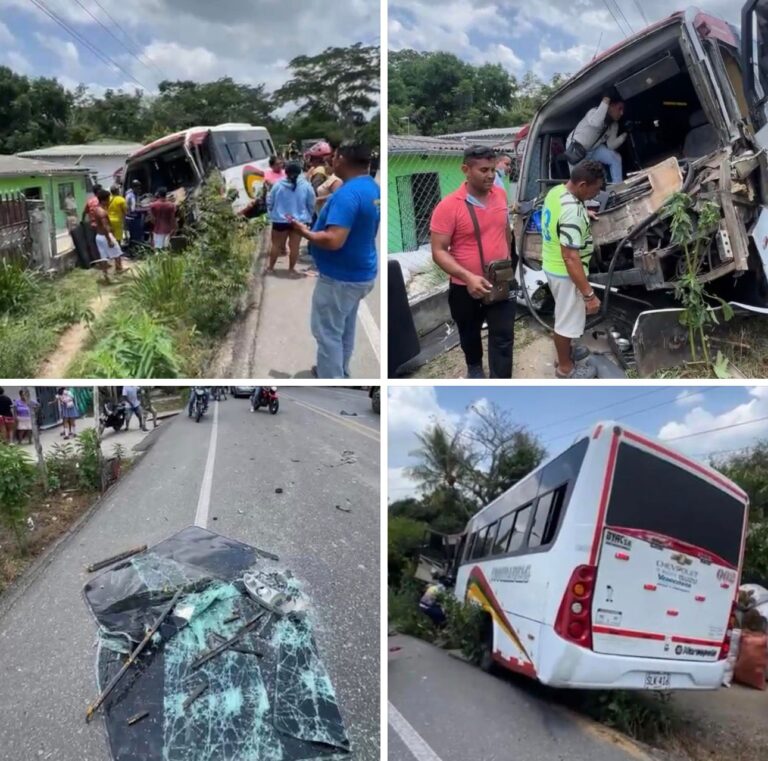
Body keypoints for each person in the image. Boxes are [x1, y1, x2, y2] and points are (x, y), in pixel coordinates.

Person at [290, 142, 379, 379]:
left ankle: (331, 378)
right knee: (344, 330)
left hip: (340, 279)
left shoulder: (348, 195)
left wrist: (303, 231)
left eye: (334, 157)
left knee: (327, 332)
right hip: (361, 273)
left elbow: (334, 240)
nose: (330, 161)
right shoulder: (370, 187)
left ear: (341, 159)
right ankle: (339, 370)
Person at [430, 145, 514, 379]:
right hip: (464, 287)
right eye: (484, 170)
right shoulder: (448, 207)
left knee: (504, 335)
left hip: (501, 280)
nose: (490, 175)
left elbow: (505, 230)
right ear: (466, 170)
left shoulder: (501, 195)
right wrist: (467, 277)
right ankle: (475, 368)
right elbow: (438, 251)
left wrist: (509, 264)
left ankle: (501, 380)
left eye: (493, 170)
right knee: (469, 332)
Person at [541, 159, 606, 379]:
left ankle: (566, 353)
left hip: (551, 266)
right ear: (582, 185)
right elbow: (570, 258)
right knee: (567, 323)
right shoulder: (572, 213)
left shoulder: (557, 192)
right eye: (594, 189)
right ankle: (565, 368)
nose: (595, 195)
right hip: (566, 273)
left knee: (564, 315)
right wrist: (589, 295)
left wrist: (583, 215)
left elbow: (560, 216)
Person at [266, 162, 315, 274]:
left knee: (276, 245)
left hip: (280, 220)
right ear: (300, 173)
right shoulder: (306, 186)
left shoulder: (277, 185)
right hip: (298, 221)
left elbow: (270, 200)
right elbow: (311, 203)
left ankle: (270, 268)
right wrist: (308, 215)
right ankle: (291, 269)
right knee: (295, 246)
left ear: (286, 173)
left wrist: (272, 212)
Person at [567, 93, 627, 184]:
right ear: (610, 106)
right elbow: (596, 123)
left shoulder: (614, 125)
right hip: (577, 149)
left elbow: (611, 145)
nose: (621, 113)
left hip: (594, 149)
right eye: (619, 108)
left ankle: (617, 186)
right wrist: (606, 100)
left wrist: (624, 135)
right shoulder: (594, 112)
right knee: (582, 179)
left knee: (615, 158)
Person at [93, 188, 122, 282]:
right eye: (108, 198)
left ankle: (106, 276)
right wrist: (109, 239)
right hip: (105, 236)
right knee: (117, 253)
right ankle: (119, 271)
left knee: (104, 257)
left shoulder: (97, 209)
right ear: (104, 200)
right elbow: (105, 226)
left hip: (99, 236)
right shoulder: (102, 212)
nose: (109, 200)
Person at [125, 179, 143, 253]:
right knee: (136, 236)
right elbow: (133, 209)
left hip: (128, 218)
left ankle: (132, 251)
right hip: (133, 218)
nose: (139, 190)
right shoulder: (132, 196)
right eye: (138, 188)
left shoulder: (128, 194)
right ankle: (135, 251)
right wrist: (143, 208)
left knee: (132, 236)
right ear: (135, 188)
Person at [108, 184, 128, 251]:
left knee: (110, 236)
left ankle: (111, 251)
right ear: (117, 191)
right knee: (118, 237)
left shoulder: (108, 199)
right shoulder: (121, 199)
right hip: (117, 221)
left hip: (108, 220)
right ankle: (118, 251)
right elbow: (125, 211)